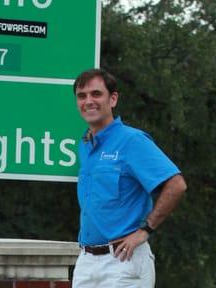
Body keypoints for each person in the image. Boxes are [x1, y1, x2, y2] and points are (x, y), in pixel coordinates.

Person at [72, 68, 187, 288]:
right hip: (86, 262)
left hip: (123, 261)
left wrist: (145, 230)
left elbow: (177, 184)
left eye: (96, 94)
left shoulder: (132, 140)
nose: (89, 101)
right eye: (82, 96)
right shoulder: (86, 145)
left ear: (113, 99)